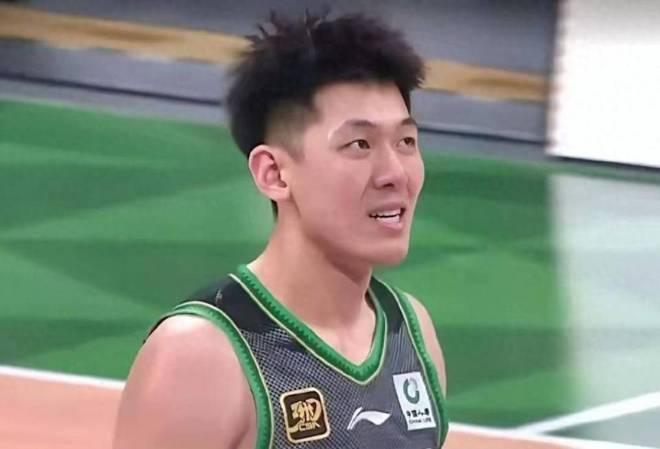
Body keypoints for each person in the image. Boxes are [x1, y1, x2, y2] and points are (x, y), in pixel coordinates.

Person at [113, 11, 448, 449]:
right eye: (359, 144)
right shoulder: (202, 355)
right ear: (273, 173)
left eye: (406, 142)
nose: (396, 174)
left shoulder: (412, 334)